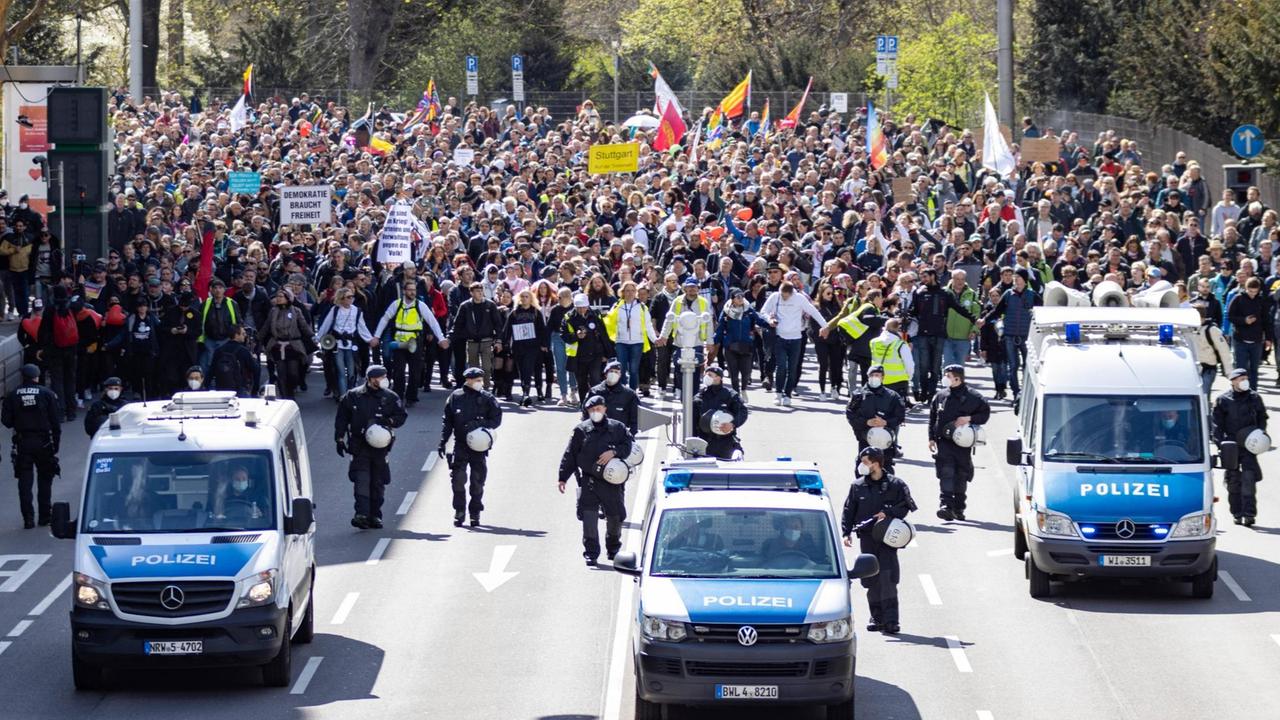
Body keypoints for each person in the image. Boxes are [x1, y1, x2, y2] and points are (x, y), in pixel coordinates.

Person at [842, 447, 916, 634]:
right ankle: (876, 617)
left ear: (876, 463)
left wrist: (889, 513)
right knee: (871, 579)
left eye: (866, 462)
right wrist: (846, 532)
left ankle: (892, 620)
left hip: (887, 539)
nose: (862, 466)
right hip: (867, 538)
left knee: (888, 579)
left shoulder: (896, 484)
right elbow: (849, 510)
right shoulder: (857, 486)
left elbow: (907, 506)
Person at [558, 395, 634, 566]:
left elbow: (628, 446)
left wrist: (613, 452)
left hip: (611, 482)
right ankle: (591, 553)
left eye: (598, 409)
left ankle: (613, 549)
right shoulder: (581, 430)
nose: (595, 412)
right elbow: (570, 454)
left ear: (605, 409)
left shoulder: (617, 428)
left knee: (615, 517)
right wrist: (563, 477)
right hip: (589, 481)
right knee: (589, 519)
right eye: (592, 410)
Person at [335, 365, 409, 529]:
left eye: (384, 376)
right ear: (369, 379)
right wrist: (339, 439)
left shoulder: (390, 397)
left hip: (380, 447)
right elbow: (342, 418)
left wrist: (389, 422)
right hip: (359, 445)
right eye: (379, 377)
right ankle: (361, 514)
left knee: (378, 481)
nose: (383, 380)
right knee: (361, 479)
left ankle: (375, 515)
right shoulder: (353, 396)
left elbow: (401, 415)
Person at [439, 367, 504, 527]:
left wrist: (479, 424)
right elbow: (447, 421)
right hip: (460, 445)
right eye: (477, 380)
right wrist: (443, 441)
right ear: (468, 380)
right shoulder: (455, 397)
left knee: (478, 481)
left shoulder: (487, 398)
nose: (480, 383)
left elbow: (496, 419)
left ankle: (475, 512)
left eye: (481, 380)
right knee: (458, 480)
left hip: (479, 448)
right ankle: (459, 511)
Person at [928, 364, 991, 521]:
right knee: (946, 472)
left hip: (962, 444)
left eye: (948, 376)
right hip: (943, 442)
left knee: (961, 475)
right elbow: (933, 417)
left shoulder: (974, 397)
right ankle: (946, 506)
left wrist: (969, 419)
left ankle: (959, 508)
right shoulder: (941, 396)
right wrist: (931, 438)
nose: (945, 378)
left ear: (957, 378)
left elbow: (984, 415)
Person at [1, 364, 61, 528]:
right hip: (44, 442)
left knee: (24, 482)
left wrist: (20, 422)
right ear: (37, 376)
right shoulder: (47, 394)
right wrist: (56, 444)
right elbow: (56, 422)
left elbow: (6, 421)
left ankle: (28, 518)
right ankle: (44, 516)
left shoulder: (12, 395)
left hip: (23, 442)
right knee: (45, 479)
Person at [373, 280, 448, 406]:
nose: (412, 292)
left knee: (415, 372)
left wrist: (441, 338)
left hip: (415, 342)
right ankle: (397, 396)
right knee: (399, 371)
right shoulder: (396, 304)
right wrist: (376, 336)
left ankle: (411, 397)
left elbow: (432, 321)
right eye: (410, 290)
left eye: (414, 290)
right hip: (399, 342)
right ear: (404, 291)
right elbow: (385, 319)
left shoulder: (421, 305)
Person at [1213, 368, 1268, 525]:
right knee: (1233, 481)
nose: (1244, 381)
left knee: (1249, 479)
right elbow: (1217, 425)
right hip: (1231, 446)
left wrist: (1261, 434)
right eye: (1241, 378)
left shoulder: (1254, 398)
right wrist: (1221, 445)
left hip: (1249, 445)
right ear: (1233, 381)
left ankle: (1249, 514)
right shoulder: (1223, 400)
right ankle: (1237, 512)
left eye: (1246, 377)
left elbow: (1262, 418)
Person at [762, 281, 828, 405]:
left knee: (793, 369)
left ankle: (787, 394)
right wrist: (770, 319)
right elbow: (763, 311)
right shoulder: (775, 297)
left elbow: (813, 311)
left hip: (796, 338)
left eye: (787, 295)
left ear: (792, 293)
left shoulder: (799, 298)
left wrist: (825, 326)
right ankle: (778, 393)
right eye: (782, 294)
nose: (784, 297)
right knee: (781, 366)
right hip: (779, 337)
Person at [845, 365, 908, 472]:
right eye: (872, 375)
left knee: (885, 471)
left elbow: (900, 416)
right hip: (865, 440)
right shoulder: (858, 395)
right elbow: (850, 415)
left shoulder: (892, 396)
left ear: (882, 377)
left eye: (877, 375)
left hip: (885, 441)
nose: (874, 377)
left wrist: (885, 422)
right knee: (863, 470)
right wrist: (866, 422)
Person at [604, 281, 662, 390]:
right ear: (623, 292)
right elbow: (610, 322)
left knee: (634, 370)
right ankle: (621, 391)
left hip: (637, 343)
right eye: (627, 290)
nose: (630, 293)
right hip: (621, 342)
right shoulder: (617, 306)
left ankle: (632, 393)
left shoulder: (642, 307)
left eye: (632, 290)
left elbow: (648, 325)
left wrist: (654, 339)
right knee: (621, 368)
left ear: (635, 292)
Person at [450, 282, 504, 391]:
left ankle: (486, 388)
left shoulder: (490, 305)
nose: (480, 293)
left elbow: (498, 324)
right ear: (471, 293)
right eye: (477, 291)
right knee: (473, 368)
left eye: (481, 291)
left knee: (486, 367)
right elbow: (458, 324)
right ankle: (475, 389)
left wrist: (499, 340)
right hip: (471, 341)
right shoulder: (465, 306)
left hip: (487, 340)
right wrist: (451, 337)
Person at [691, 365, 749, 459]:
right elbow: (693, 422)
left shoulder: (730, 395)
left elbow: (742, 412)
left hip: (726, 442)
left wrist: (732, 424)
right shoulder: (699, 397)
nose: (706, 377)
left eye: (710, 375)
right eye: (706, 374)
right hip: (705, 442)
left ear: (718, 378)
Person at [562, 292, 612, 398]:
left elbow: (603, 335)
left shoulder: (595, 315)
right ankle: (584, 405)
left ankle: (596, 402)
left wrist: (607, 354)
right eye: (578, 308)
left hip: (595, 354)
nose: (581, 310)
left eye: (583, 307)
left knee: (595, 380)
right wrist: (576, 336)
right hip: (578, 356)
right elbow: (564, 336)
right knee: (582, 383)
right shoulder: (569, 318)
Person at [580, 359, 640, 435]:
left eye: (616, 372)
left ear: (620, 375)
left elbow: (635, 419)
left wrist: (629, 436)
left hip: (619, 436)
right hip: (597, 435)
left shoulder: (629, 395)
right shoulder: (594, 391)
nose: (613, 374)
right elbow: (585, 413)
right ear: (606, 374)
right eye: (611, 371)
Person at [209, 325, 261, 397]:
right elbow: (256, 369)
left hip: (220, 388)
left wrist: (205, 387)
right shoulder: (243, 351)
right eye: (243, 334)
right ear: (236, 335)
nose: (245, 336)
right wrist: (255, 391)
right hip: (239, 389)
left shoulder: (219, 350)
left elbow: (211, 371)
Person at [760, 513, 825, 562]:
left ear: (801, 528)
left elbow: (816, 565)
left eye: (796, 527)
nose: (793, 530)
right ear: (782, 528)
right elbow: (764, 565)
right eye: (788, 526)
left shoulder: (809, 545)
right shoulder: (769, 545)